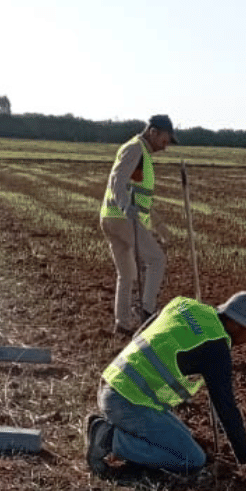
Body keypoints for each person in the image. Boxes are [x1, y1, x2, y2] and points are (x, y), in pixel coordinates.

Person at [85, 291, 246, 477]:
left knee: (185, 438)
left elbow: (142, 332)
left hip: (113, 381)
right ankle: (109, 439)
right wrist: (244, 457)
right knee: (192, 458)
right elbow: (226, 407)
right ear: (236, 324)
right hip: (128, 402)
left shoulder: (186, 305)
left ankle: (116, 431)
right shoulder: (216, 348)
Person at [99, 114, 176, 333]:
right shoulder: (135, 149)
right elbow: (117, 180)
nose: (165, 146)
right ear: (153, 132)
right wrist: (124, 206)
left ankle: (122, 324)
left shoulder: (141, 154)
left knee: (127, 274)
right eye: (164, 140)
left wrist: (160, 226)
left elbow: (140, 196)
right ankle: (147, 311)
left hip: (111, 217)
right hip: (122, 218)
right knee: (156, 259)